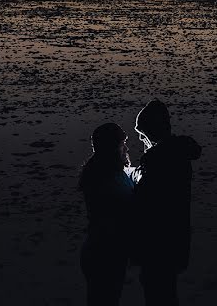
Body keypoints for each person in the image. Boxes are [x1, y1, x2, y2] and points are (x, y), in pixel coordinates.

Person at [131, 99, 202, 306]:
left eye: (144, 133)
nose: (143, 139)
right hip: (174, 239)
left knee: (159, 294)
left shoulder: (157, 158)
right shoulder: (178, 153)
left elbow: (147, 202)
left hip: (158, 242)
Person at [79, 123, 134, 306]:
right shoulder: (104, 177)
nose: (126, 148)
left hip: (107, 251)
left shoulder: (108, 172)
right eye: (122, 144)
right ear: (112, 148)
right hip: (104, 254)